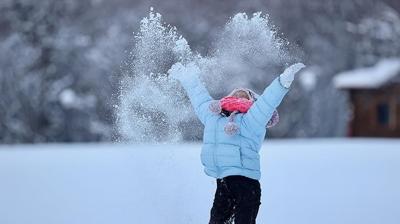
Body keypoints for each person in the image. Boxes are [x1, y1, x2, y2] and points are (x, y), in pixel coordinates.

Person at [168, 62, 305, 224]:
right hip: (223, 184)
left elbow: (268, 101)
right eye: (236, 94)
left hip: (247, 185)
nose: (240, 96)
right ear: (228, 98)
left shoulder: (252, 119)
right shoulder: (213, 116)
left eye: (245, 95)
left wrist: (283, 82)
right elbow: (199, 98)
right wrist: (188, 77)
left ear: (253, 101)